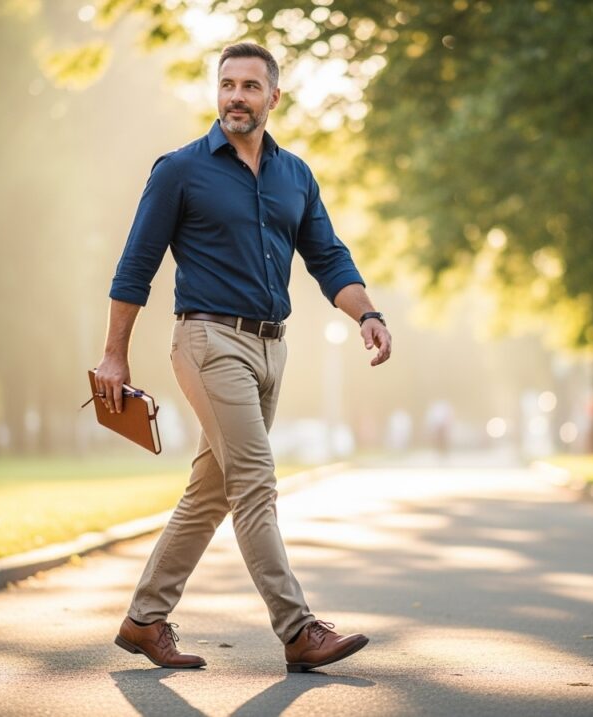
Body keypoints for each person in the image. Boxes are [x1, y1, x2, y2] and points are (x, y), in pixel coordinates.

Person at [95, 42, 392, 673]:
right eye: (227, 84)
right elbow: (135, 267)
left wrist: (367, 313)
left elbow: (329, 258)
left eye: (250, 86)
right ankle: (297, 630)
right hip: (206, 342)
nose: (236, 96)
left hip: (270, 347)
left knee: (212, 491)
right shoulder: (179, 170)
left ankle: (144, 619)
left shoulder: (295, 176)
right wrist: (114, 356)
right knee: (256, 480)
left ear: (273, 97)